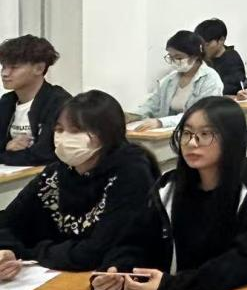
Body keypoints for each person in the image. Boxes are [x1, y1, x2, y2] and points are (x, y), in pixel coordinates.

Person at [91, 97, 247, 290]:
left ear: (230, 139)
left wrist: (172, 286)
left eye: (205, 135)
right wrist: (115, 272)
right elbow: (135, 241)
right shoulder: (168, 187)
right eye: (187, 133)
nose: (191, 143)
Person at [0, 90, 159, 272]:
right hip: (54, 271)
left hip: (114, 278)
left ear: (105, 134)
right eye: (59, 130)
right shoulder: (56, 173)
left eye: (75, 131)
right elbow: (7, 222)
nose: (63, 138)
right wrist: (8, 251)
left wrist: (31, 253)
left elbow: (95, 252)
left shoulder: (131, 172)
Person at [132, 31, 225, 130]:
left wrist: (161, 122)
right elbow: (152, 104)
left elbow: (200, 115)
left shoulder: (210, 80)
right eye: (171, 57)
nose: (174, 61)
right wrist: (133, 116)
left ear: (195, 56)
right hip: (166, 133)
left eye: (178, 57)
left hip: (195, 132)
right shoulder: (170, 79)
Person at [0, 35, 70, 166]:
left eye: (14, 67)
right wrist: (7, 147)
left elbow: (45, 154)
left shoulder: (59, 102)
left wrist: (5, 153)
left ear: (39, 68)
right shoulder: (6, 102)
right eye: (3, 66)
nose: (4, 73)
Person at [194, 19, 246, 95]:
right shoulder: (201, 58)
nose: (203, 49)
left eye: (207, 44)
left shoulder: (232, 59)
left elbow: (229, 89)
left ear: (221, 40)